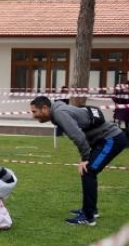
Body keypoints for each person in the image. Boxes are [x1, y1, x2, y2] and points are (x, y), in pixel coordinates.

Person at [30, 96, 128, 226]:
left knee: (88, 171)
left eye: (34, 112)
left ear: (45, 108)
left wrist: (86, 158)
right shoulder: (58, 111)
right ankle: (91, 210)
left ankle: (88, 217)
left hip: (112, 139)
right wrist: (84, 158)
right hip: (103, 140)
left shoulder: (59, 114)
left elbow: (78, 136)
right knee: (87, 171)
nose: (33, 116)